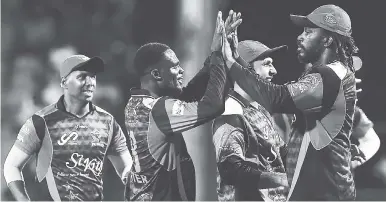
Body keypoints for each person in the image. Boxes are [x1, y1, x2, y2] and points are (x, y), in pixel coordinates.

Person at [226, 5, 359, 200]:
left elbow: (275, 98)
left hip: (326, 194)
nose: (300, 37)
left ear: (328, 39)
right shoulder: (323, 75)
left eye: (309, 31)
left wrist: (230, 61)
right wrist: (238, 59)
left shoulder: (330, 76)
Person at [124, 12, 237, 201]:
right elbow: (212, 106)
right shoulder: (159, 110)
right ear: (157, 74)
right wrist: (217, 56)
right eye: (175, 66)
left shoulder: (136, 103)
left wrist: (215, 58)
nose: (181, 70)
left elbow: (187, 95)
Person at [3, 55, 133, 201]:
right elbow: (11, 166)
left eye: (92, 77)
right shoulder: (41, 121)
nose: (90, 83)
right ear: (64, 82)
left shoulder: (108, 122)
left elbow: (125, 168)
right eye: (82, 77)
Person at [212, 38, 289, 201]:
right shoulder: (231, 111)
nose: (274, 70)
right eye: (267, 64)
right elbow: (231, 171)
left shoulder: (259, 108)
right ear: (245, 70)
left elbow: (282, 154)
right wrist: (282, 179)